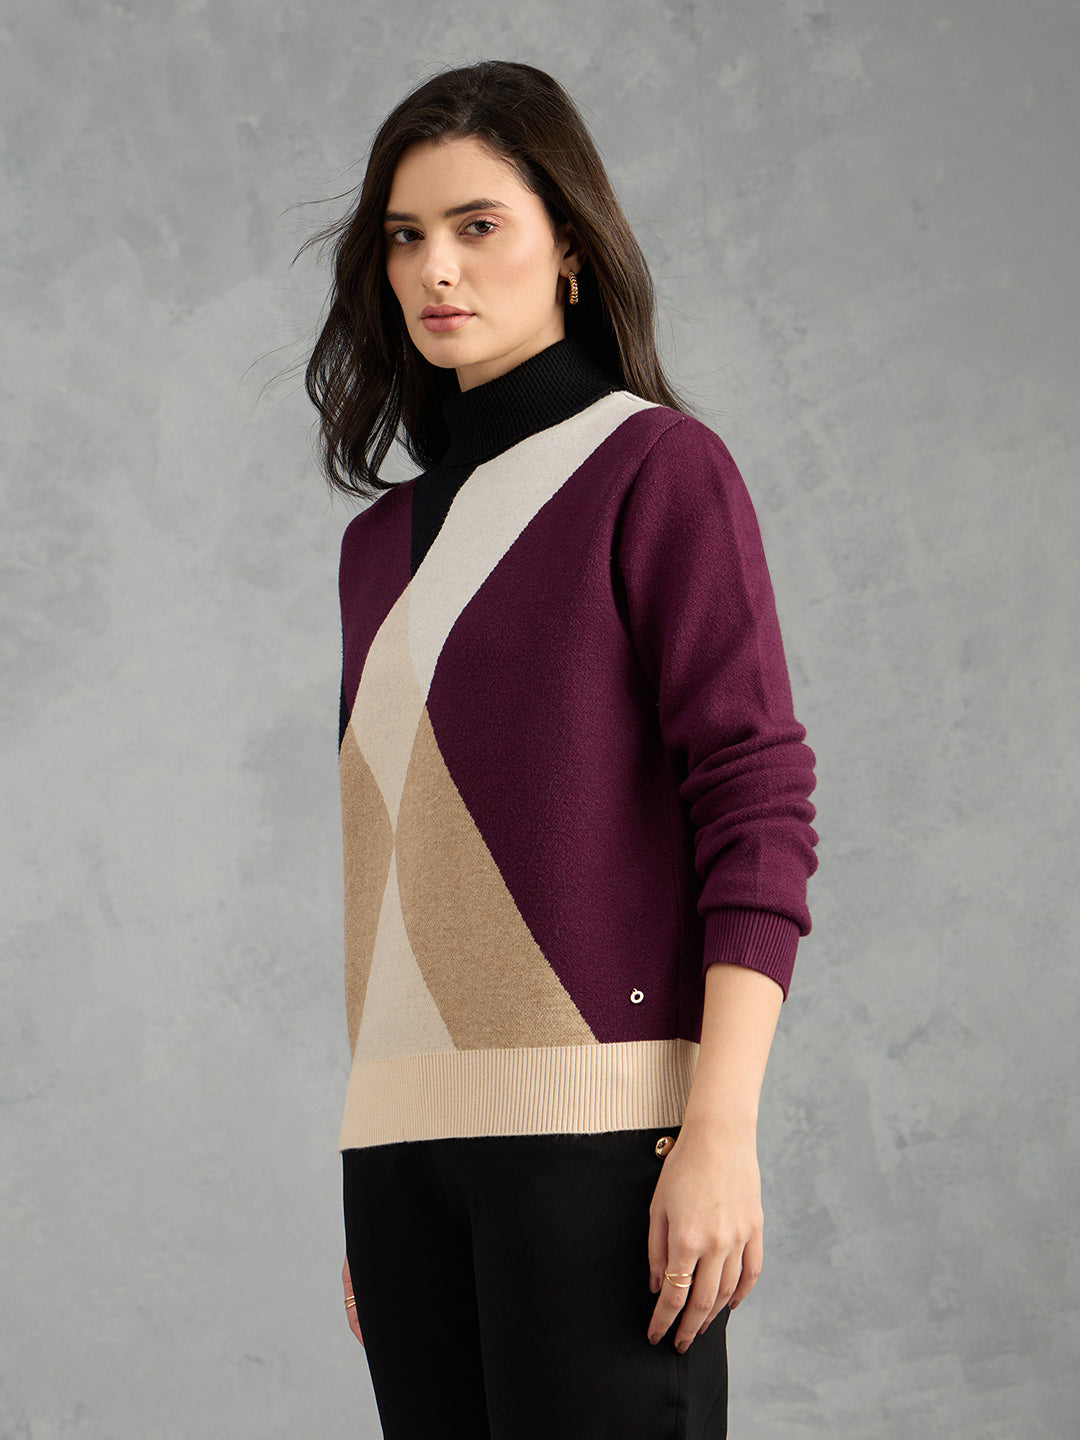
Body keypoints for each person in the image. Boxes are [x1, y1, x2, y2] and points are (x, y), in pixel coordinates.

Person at [302, 59, 818, 1440]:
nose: (436, 270)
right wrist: (388, 1147)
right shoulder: (374, 549)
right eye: (405, 236)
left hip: (598, 1141)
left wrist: (718, 1129)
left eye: (478, 225)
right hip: (402, 1155)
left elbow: (755, 801)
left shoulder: (654, 470)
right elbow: (399, 858)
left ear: (571, 246)